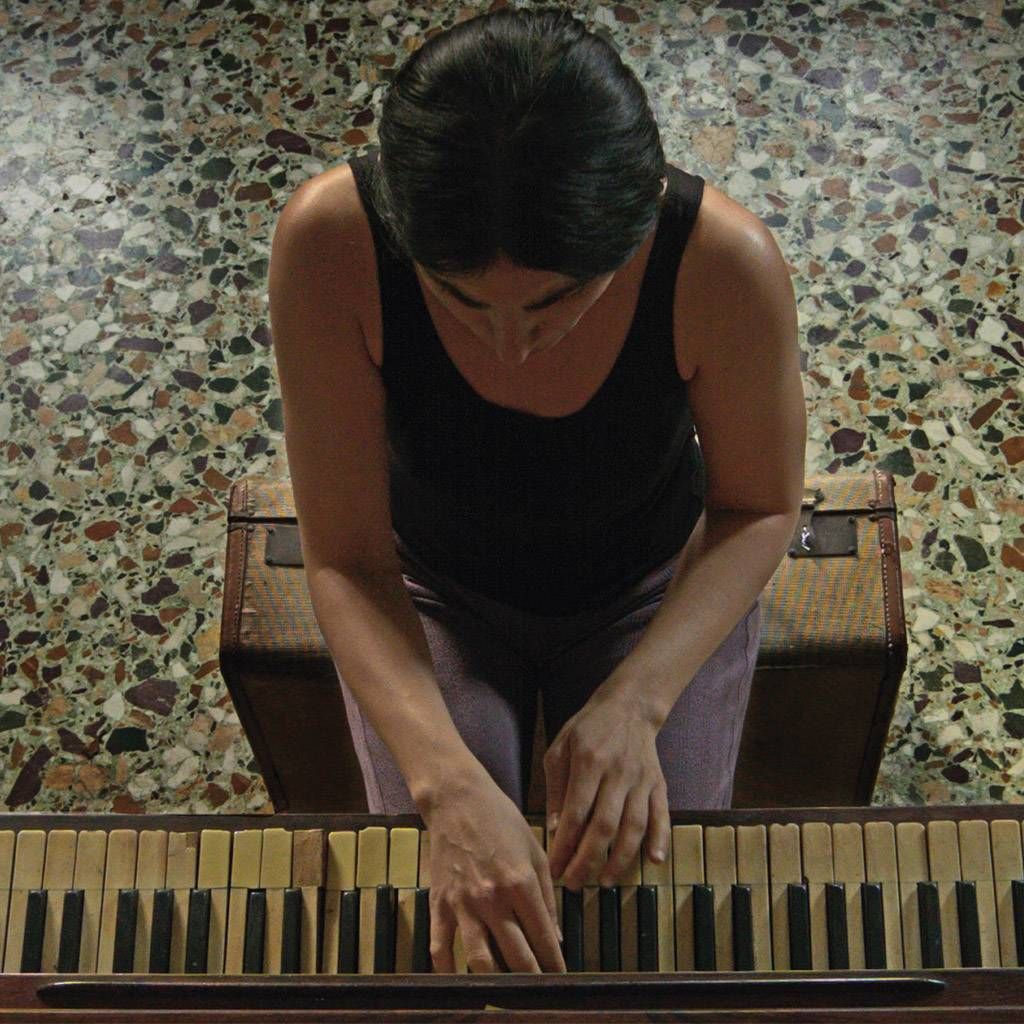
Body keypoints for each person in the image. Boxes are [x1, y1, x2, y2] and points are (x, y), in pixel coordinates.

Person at [268, 6, 805, 975]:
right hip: (432, 587)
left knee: (648, 918)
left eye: (557, 301)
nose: (510, 346)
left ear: (634, 224)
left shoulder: (723, 262)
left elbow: (759, 507)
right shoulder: (328, 241)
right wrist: (443, 783)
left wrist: (639, 700)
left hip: (649, 582)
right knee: (453, 923)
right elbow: (344, 558)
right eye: (458, 299)